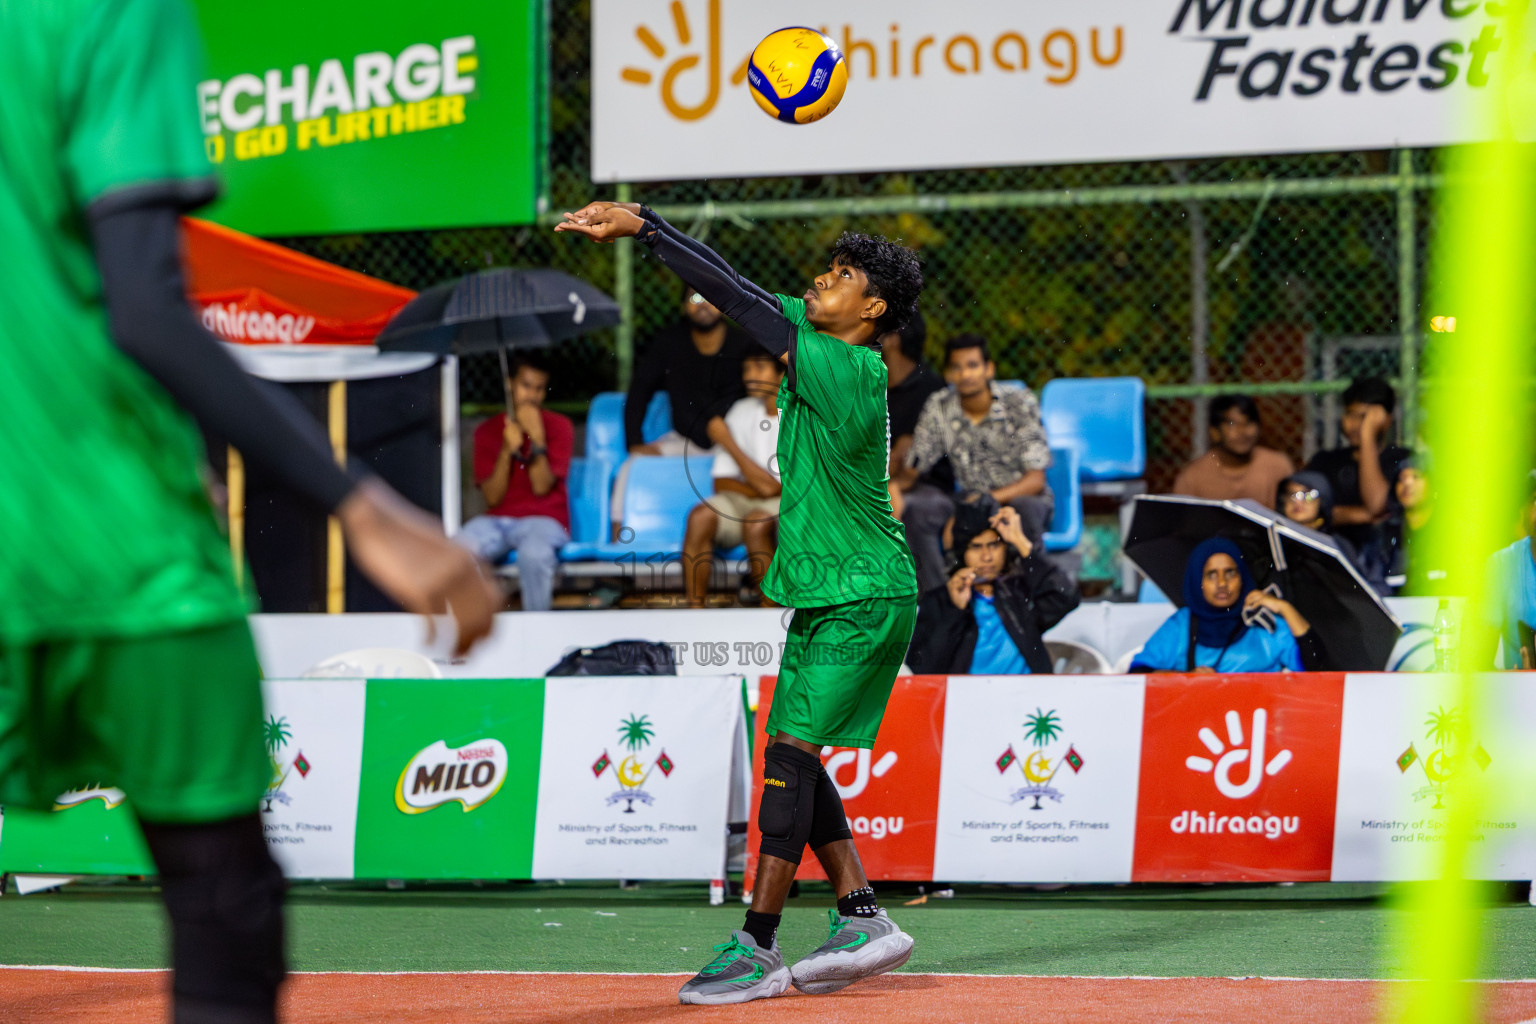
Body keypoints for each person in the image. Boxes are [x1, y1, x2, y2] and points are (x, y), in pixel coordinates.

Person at [0, 4, 501, 1022]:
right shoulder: (113, 11)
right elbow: (142, 305)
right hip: (113, 547)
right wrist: (357, 502)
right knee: (224, 907)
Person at [558, 200, 923, 1004]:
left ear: (873, 310)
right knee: (790, 752)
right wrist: (644, 219)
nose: (823, 277)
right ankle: (861, 915)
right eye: (828, 268)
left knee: (789, 757)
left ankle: (757, 944)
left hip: (865, 592)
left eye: (844, 275)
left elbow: (739, 305)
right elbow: (735, 284)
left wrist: (649, 231)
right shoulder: (821, 337)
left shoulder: (849, 367)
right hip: (831, 592)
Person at [896, 334, 1053, 594]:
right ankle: (939, 601)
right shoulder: (940, 407)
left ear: (988, 369)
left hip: (1019, 497)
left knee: (1024, 509)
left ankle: (1032, 598)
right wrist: (894, 488)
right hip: (970, 502)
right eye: (957, 367)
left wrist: (983, 504)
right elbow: (915, 468)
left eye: (972, 365)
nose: (965, 374)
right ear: (947, 374)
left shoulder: (1018, 402)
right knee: (919, 510)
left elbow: (1036, 480)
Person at [611, 290, 751, 528]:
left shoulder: (744, 343)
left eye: (711, 297)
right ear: (683, 306)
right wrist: (634, 441)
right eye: (695, 298)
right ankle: (616, 544)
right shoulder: (669, 342)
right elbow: (639, 390)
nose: (704, 304)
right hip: (683, 440)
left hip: (732, 443)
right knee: (632, 466)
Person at [906, 495, 1080, 674]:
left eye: (994, 546)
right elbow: (921, 667)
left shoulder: (1018, 593)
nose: (987, 556)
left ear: (1005, 549)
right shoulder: (939, 600)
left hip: (1027, 697)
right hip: (969, 699)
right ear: (962, 552)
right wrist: (954, 611)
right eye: (976, 546)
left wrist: (1021, 541)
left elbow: (1066, 596)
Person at [458, 355, 574, 611]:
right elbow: (492, 498)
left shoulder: (559, 426)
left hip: (545, 520)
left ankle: (536, 629)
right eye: (525, 386)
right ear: (510, 384)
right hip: (497, 521)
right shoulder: (487, 431)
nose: (532, 395)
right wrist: (506, 451)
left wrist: (538, 439)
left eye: (539, 388)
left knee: (534, 555)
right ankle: (483, 626)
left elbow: (541, 486)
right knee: (460, 550)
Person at [683, 348, 784, 607]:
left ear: (782, 373)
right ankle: (694, 610)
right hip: (749, 501)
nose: (750, 376)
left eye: (759, 368)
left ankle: (769, 611)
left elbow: (783, 491)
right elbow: (722, 481)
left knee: (756, 521)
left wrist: (728, 442)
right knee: (700, 516)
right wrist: (760, 489)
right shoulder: (741, 410)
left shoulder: (799, 416)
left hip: (788, 508)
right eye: (746, 369)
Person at [1129, 539, 1324, 673]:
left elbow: (1317, 669)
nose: (1222, 583)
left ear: (1243, 578)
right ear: (1198, 581)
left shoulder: (1263, 623)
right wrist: (1185, 679)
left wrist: (1285, 609)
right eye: (1212, 574)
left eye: (1230, 573)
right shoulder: (1182, 624)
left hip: (1258, 728)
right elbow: (1137, 673)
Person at [1304, 376, 1411, 549]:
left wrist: (1367, 435)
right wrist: (1364, 516)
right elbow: (1307, 509)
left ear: (1386, 420)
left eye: (1364, 417)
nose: (1355, 425)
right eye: (1350, 414)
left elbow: (1377, 504)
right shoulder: (1325, 461)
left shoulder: (1403, 461)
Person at [1172, 394, 1295, 508]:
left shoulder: (1278, 466)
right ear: (1214, 432)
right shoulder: (1193, 478)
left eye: (1249, 422)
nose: (1243, 432)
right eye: (1232, 424)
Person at [879, 312, 946, 519]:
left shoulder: (933, 390)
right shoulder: (870, 386)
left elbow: (905, 458)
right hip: (882, 481)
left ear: (893, 340)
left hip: (925, 485)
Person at [1275, 471, 1388, 593]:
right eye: (1292, 494)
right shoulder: (1274, 540)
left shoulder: (1335, 543)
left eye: (1308, 495)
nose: (1298, 501)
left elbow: (1359, 589)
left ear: (1323, 499)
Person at [1475, 474, 1536, 669]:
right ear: (1523, 511)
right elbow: (1479, 660)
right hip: (1519, 694)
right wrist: (1510, 683)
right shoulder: (1501, 565)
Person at [1374, 453, 1453, 595]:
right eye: (1401, 479)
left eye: (1416, 476)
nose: (1407, 484)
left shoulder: (1451, 530)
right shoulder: (1386, 532)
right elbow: (1373, 580)